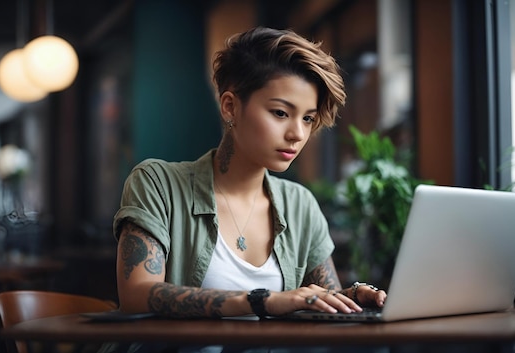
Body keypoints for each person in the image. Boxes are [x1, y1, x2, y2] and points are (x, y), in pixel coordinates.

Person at [107, 27, 387, 352]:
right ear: (230, 107)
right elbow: (137, 295)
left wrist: (351, 298)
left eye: (308, 118)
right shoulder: (157, 183)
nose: (297, 133)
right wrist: (261, 301)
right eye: (280, 113)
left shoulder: (300, 204)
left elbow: (324, 301)